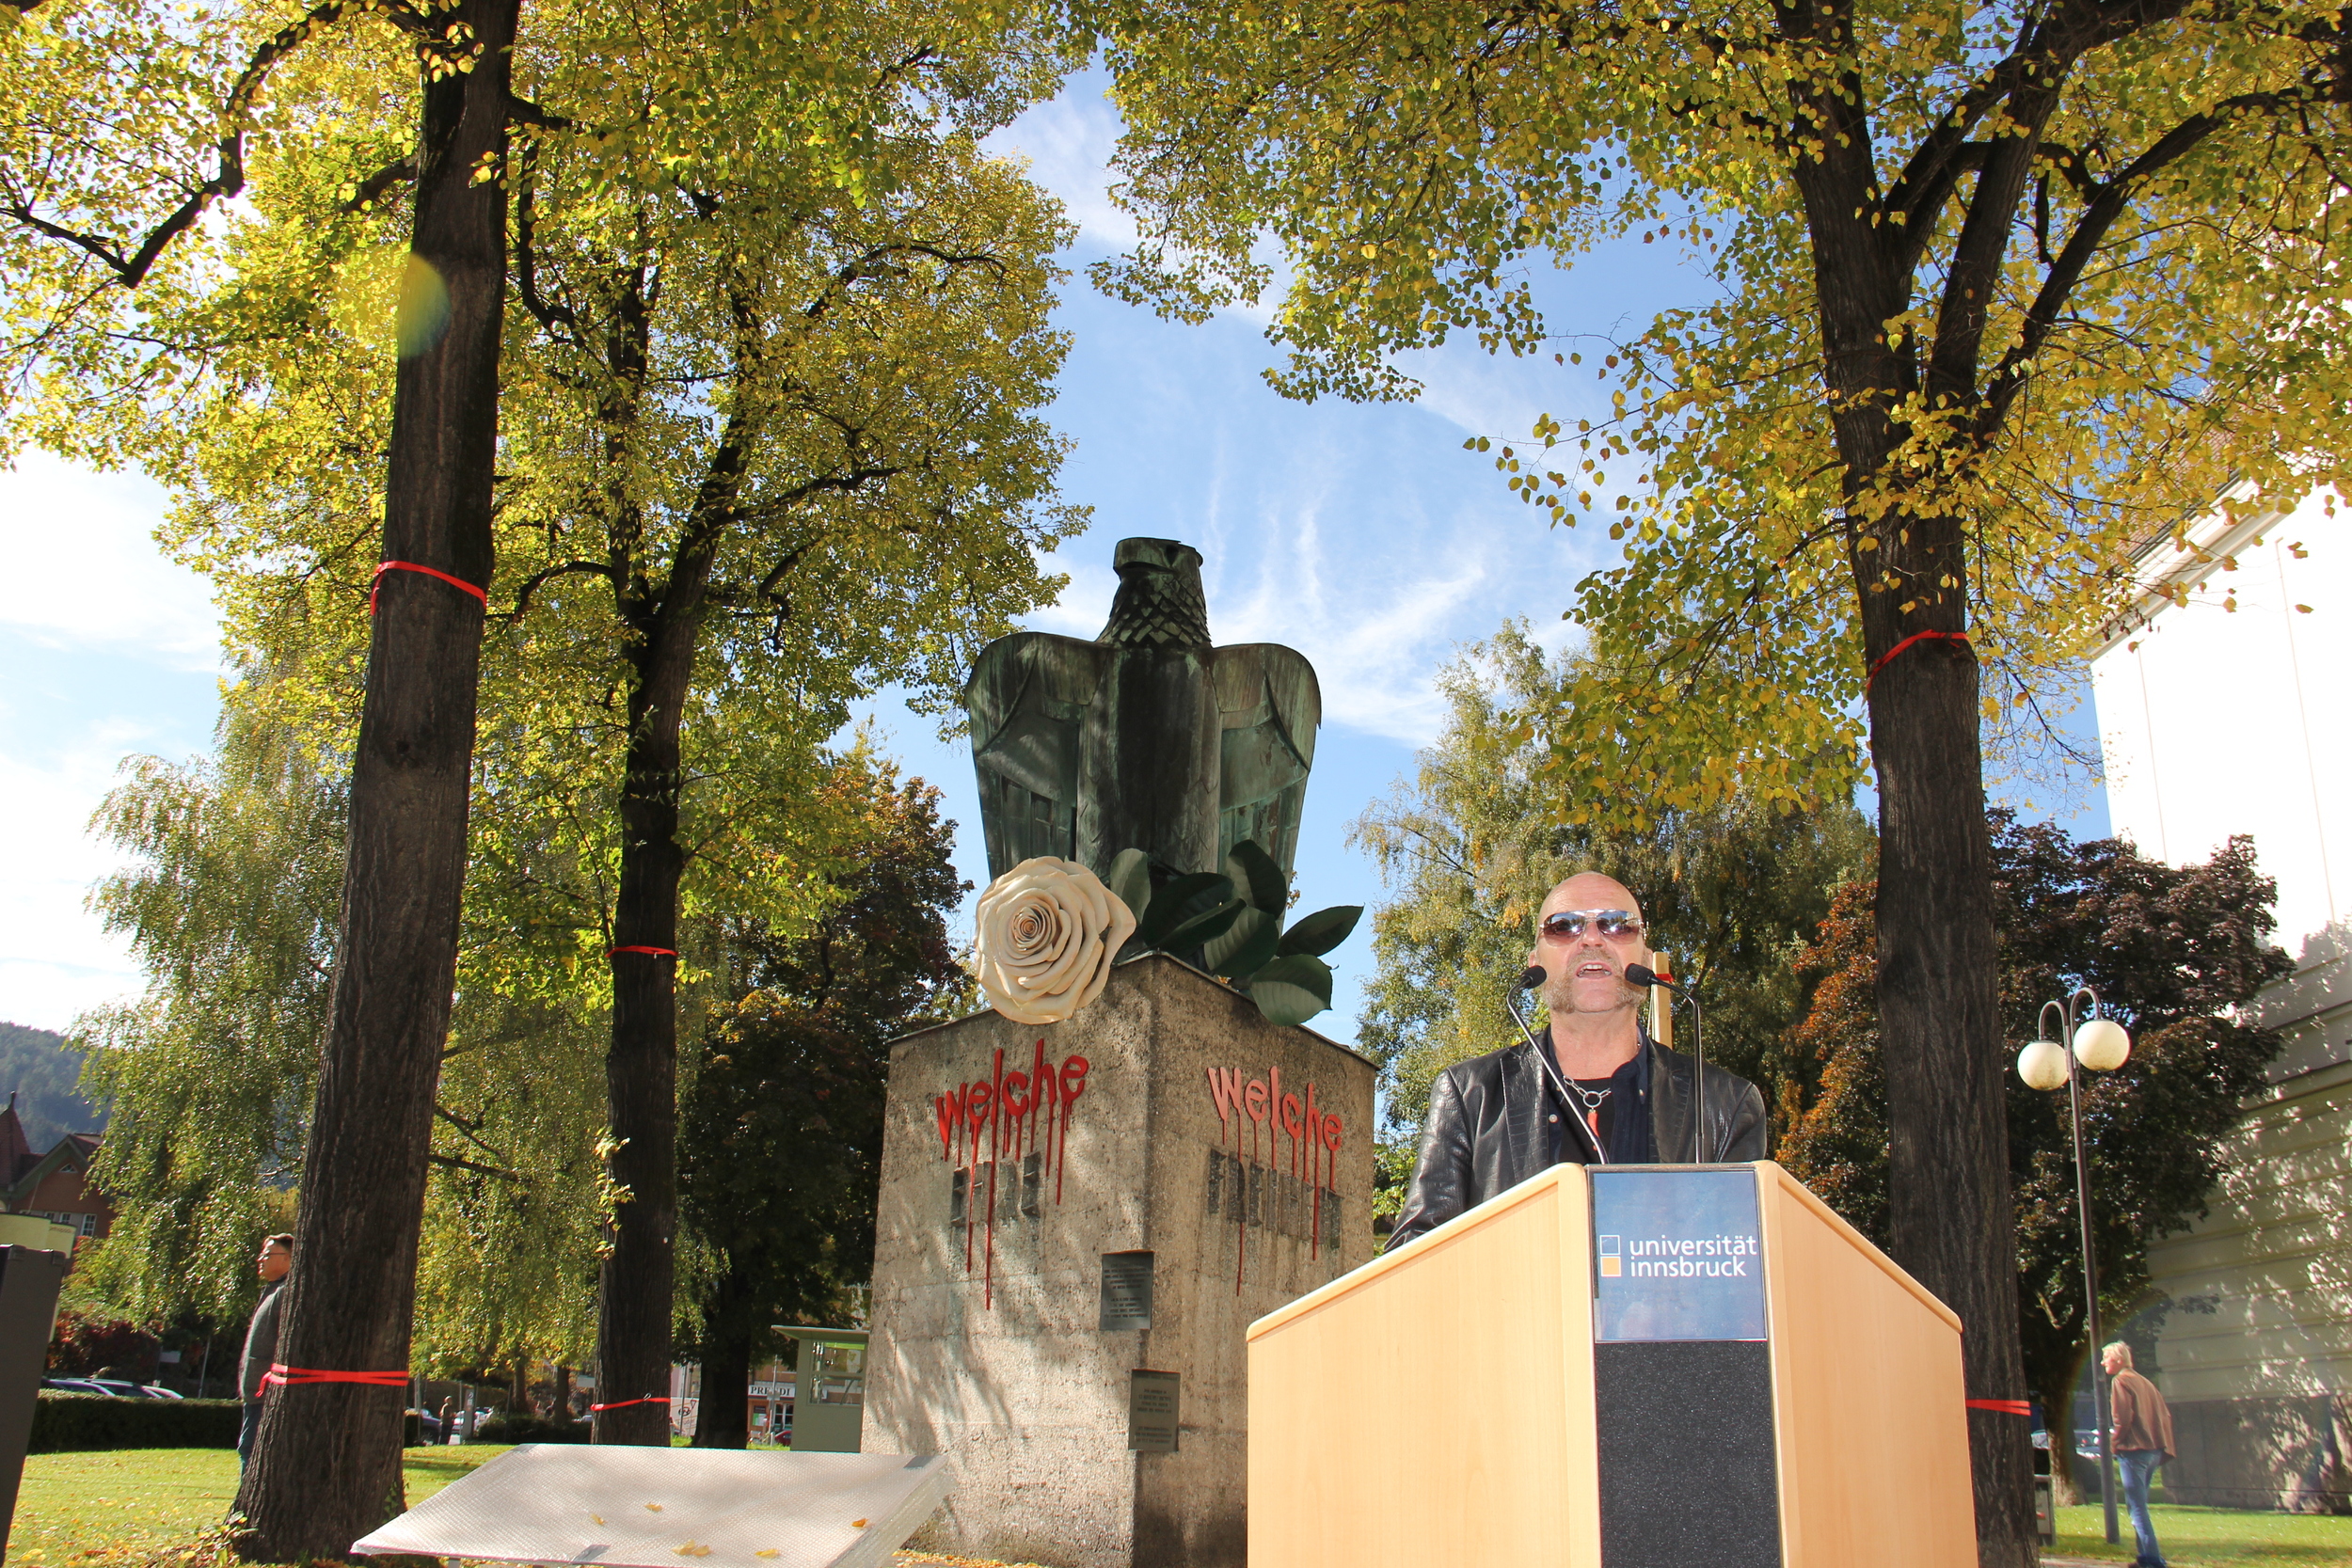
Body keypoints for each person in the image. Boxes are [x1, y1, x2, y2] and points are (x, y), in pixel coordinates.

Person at [1388, 871, 1769, 1249]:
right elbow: (1411, 1256)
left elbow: (1746, 1257)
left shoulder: (1725, 1104)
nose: (1591, 938)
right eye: (1563, 926)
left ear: (1646, 959)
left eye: (1617, 924)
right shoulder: (1470, 1094)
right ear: (1535, 963)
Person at [2106, 1341, 2175, 1567]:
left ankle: (2153, 1560)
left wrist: (2115, 1443)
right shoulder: (2144, 1382)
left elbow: (2122, 1419)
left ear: (2118, 1360)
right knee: (2138, 1505)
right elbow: (2164, 1415)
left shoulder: (2121, 1381)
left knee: (2137, 1508)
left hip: (2134, 1450)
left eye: (2106, 1357)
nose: (2103, 1362)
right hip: (2153, 1450)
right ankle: (2144, 1558)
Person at [237, 1233, 293, 1469]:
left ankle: (249, 1495)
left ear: (289, 1258)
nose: (261, 1259)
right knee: (248, 1449)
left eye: (268, 1254)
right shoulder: (273, 1290)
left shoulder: (286, 1293)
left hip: (269, 1397)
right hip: (257, 1396)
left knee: (250, 1451)